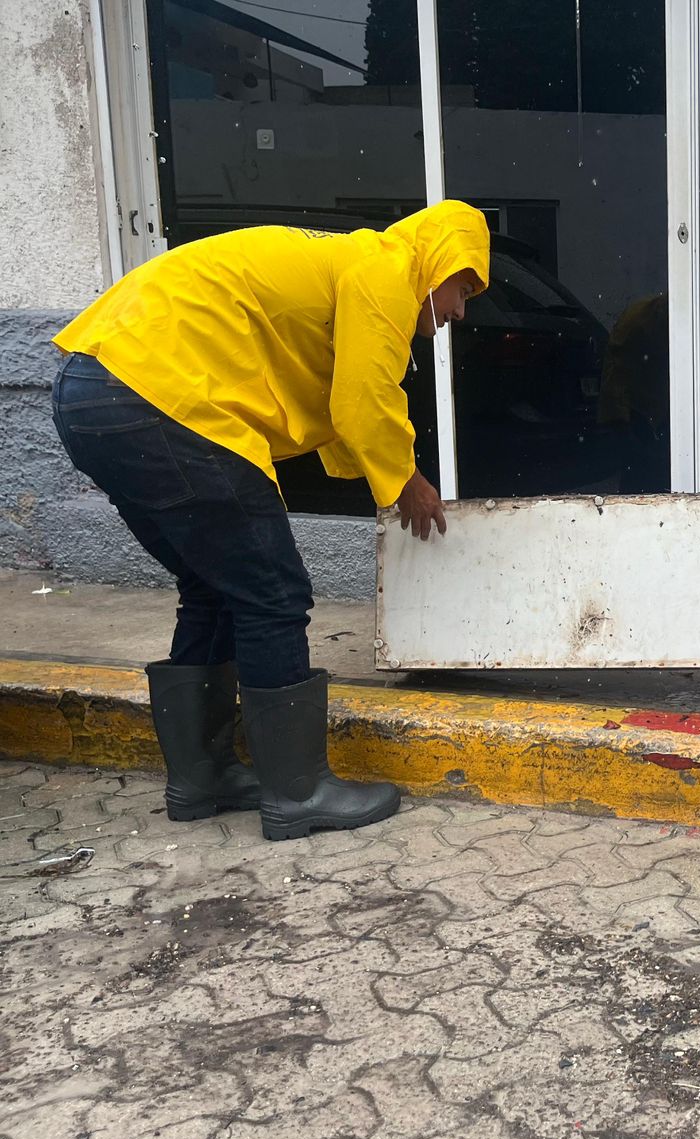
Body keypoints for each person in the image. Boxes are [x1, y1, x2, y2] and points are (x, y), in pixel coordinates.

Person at [51, 201, 490, 841]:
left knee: (215, 584)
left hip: (92, 388)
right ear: (438, 261)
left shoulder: (354, 263)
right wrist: (405, 480)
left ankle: (203, 778)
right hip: (160, 394)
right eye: (463, 289)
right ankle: (299, 792)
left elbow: (340, 401)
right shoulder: (386, 271)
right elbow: (363, 398)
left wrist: (380, 472)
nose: (459, 312)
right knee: (273, 593)